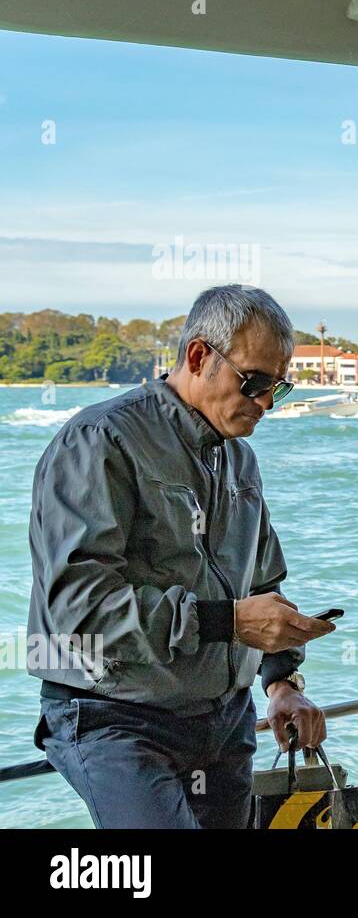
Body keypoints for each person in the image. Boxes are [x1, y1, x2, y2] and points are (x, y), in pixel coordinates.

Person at [28, 285, 335, 828]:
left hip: (222, 723)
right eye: (255, 382)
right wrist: (227, 621)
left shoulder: (241, 461)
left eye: (278, 387)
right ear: (198, 357)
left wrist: (282, 682)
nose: (265, 402)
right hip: (113, 715)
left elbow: (262, 584)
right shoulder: (99, 441)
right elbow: (78, 611)